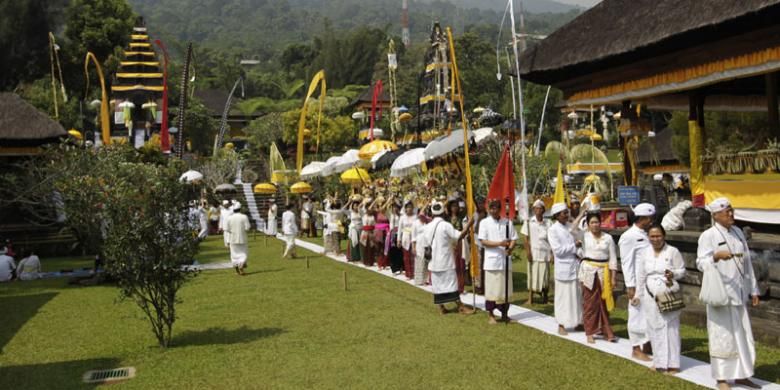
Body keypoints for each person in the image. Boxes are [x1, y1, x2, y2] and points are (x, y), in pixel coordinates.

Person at [697, 198, 761, 390]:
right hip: (720, 294)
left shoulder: (738, 232)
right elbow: (700, 263)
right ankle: (722, 378)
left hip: (739, 292)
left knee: (742, 334)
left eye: (732, 211)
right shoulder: (708, 235)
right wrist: (715, 257)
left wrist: (754, 289)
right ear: (716, 215)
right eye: (727, 212)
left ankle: (743, 374)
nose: (731, 215)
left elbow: (747, 263)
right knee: (721, 335)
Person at [637, 224, 685, 374]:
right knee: (654, 326)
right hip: (650, 292)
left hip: (667, 291)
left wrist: (673, 274)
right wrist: (638, 294)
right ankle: (659, 362)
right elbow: (641, 274)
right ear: (648, 237)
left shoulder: (672, 251)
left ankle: (673, 363)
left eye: (658, 236)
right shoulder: (645, 252)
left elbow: (681, 270)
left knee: (671, 327)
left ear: (664, 236)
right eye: (652, 236)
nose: (655, 239)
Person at [618, 202, 656, 361]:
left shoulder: (649, 234)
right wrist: (630, 286)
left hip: (650, 282)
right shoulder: (629, 236)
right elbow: (626, 262)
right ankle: (636, 348)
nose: (652, 220)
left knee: (650, 314)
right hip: (637, 283)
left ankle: (647, 343)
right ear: (643, 218)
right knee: (636, 315)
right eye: (650, 218)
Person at [424, 200, 474, 315]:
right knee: (451, 284)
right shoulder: (445, 225)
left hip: (433, 261)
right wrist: (469, 225)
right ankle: (460, 307)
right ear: (443, 212)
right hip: (445, 260)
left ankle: (441, 307)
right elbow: (459, 236)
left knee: (437, 286)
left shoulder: (427, 226)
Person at [578, 212, 618, 343]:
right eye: (592, 223)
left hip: (604, 272)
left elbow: (613, 258)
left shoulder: (608, 238)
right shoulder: (584, 236)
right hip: (588, 271)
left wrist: (613, 277)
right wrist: (581, 214)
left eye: (597, 222)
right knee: (590, 303)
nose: (595, 225)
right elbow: (572, 229)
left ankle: (606, 331)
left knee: (604, 302)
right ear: (588, 225)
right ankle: (590, 331)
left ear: (601, 223)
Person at [478, 199, 518, 324]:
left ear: (500, 209)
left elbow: (514, 238)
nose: (494, 211)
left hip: (505, 261)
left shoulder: (507, 222)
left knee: (505, 289)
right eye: (492, 208)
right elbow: (483, 241)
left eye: (496, 208)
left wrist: (510, 248)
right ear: (489, 209)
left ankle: (505, 314)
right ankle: (491, 315)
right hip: (491, 262)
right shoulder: (484, 223)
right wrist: (499, 244)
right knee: (492, 290)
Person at [547, 202, 583, 336]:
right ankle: (561, 324)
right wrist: (574, 246)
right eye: (564, 213)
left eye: (567, 212)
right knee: (563, 298)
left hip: (575, 266)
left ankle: (578, 322)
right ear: (557, 215)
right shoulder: (553, 230)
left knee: (577, 297)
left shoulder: (570, 226)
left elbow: (580, 237)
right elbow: (558, 251)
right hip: (563, 268)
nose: (567, 215)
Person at [521, 199, 553, 304]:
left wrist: (552, 253)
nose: (538, 210)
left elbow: (552, 239)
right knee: (532, 275)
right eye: (536, 208)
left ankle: (545, 297)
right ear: (533, 210)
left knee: (545, 276)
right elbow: (525, 238)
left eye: (540, 208)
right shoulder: (529, 222)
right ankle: (530, 298)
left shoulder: (548, 223)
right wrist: (528, 252)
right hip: (533, 253)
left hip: (545, 253)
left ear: (543, 210)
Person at [225, 203, 251, 275]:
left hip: (232, 238)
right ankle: (241, 265)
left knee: (234, 255)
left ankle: (237, 271)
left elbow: (227, 229)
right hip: (242, 238)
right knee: (244, 253)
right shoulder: (244, 217)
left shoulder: (229, 218)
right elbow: (247, 228)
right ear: (240, 209)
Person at [448, 200, 467, 293]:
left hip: (460, 241)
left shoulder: (461, 216)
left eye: (456, 206)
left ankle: (461, 287)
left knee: (461, 264)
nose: (454, 208)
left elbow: (468, 208)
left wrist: (462, 197)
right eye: (453, 206)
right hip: (451, 242)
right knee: (452, 265)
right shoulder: (447, 218)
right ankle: (453, 286)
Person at [398, 202, 418, 280]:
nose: (409, 209)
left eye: (411, 207)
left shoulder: (415, 217)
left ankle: (414, 273)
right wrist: (398, 240)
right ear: (405, 208)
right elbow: (400, 229)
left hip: (414, 237)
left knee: (413, 255)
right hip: (405, 236)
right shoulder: (402, 217)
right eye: (408, 207)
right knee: (406, 256)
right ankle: (408, 273)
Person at [412, 207, 431, 285]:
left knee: (427, 261)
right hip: (419, 244)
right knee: (419, 261)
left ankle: (426, 279)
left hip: (427, 244)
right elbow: (413, 236)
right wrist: (413, 247)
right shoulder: (415, 223)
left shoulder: (428, 222)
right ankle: (419, 280)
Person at [347, 198, 363, 262]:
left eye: (357, 205)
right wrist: (350, 201)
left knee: (360, 243)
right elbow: (343, 209)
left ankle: (359, 257)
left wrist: (361, 201)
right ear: (352, 206)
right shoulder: (351, 212)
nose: (356, 207)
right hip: (353, 229)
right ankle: (353, 257)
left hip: (360, 229)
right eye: (355, 206)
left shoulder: (361, 212)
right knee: (354, 243)